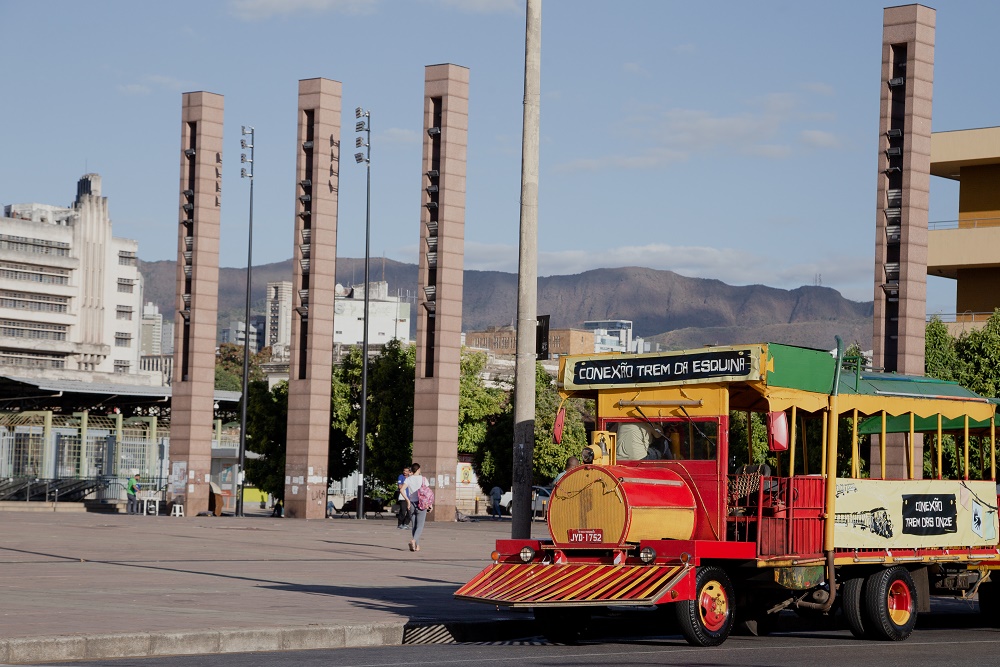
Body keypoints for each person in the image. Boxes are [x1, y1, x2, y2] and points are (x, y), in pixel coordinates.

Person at [404, 462, 428, 552]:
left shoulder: (408, 479)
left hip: (412, 503)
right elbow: (427, 493)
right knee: (420, 526)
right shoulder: (423, 479)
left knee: (414, 525)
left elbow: (401, 489)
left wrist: (407, 500)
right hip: (421, 504)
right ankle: (413, 540)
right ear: (418, 469)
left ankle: (416, 546)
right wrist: (429, 504)